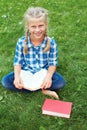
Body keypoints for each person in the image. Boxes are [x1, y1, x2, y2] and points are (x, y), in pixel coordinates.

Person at [1, 7, 66, 99]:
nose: (37, 30)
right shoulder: (21, 42)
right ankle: (42, 89)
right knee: (6, 81)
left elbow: (52, 63)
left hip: (43, 72)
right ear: (28, 26)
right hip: (26, 71)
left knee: (60, 82)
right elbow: (18, 62)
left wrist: (48, 77)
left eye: (41, 26)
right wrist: (17, 77)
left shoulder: (51, 43)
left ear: (46, 25)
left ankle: (37, 87)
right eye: (33, 26)